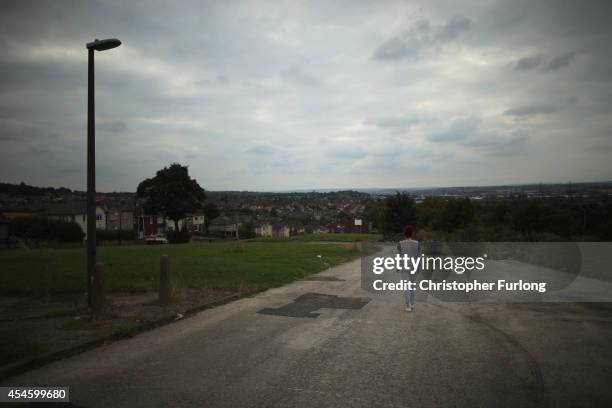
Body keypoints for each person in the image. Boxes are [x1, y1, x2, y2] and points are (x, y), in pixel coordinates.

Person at [397, 225, 419, 312]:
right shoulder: (417, 243)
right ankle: (412, 304)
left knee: (406, 286)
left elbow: (399, 256)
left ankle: (408, 306)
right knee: (412, 286)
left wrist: (398, 267)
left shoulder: (400, 243)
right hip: (414, 266)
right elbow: (418, 257)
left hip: (404, 266)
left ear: (404, 234)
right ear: (412, 234)